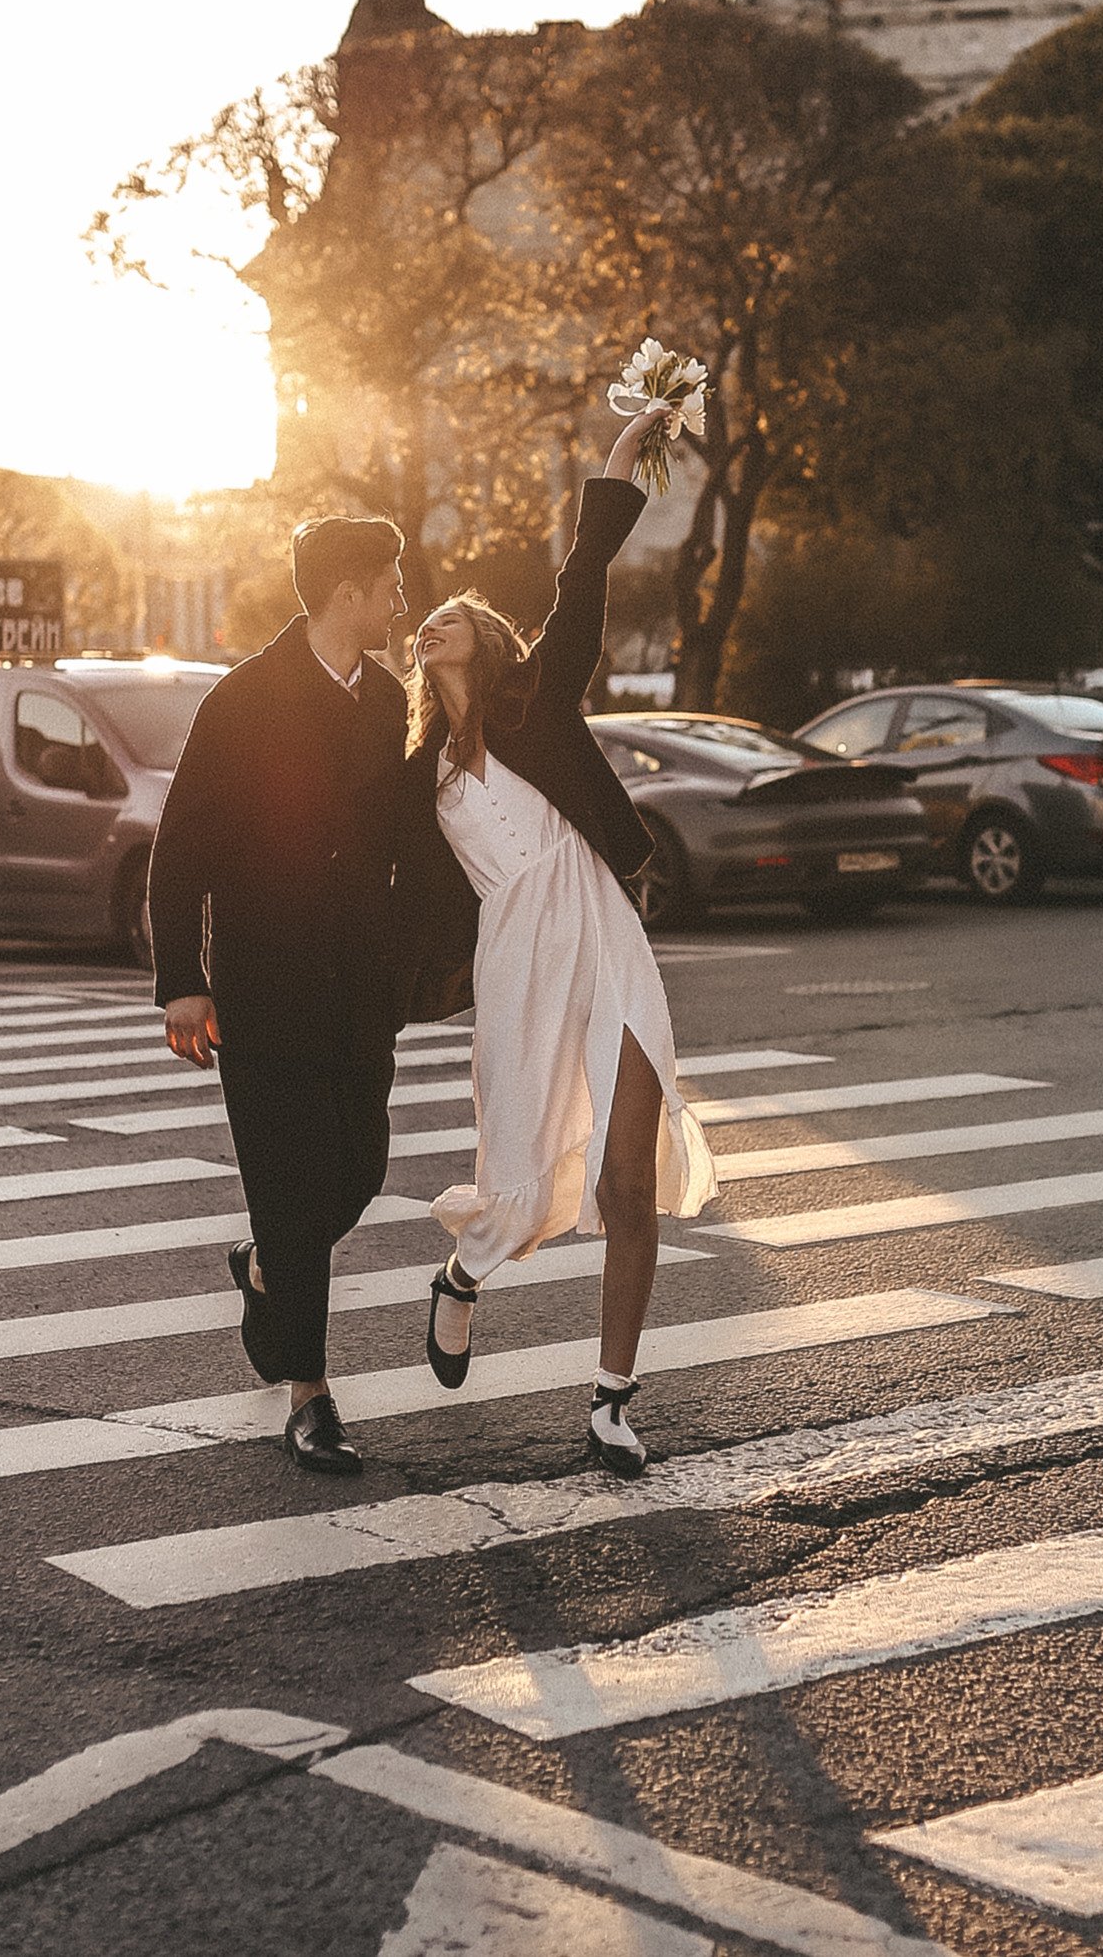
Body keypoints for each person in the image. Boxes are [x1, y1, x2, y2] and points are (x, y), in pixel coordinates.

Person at [400, 400, 716, 1476]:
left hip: (598, 927)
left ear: (487, 641)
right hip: (515, 962)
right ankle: (462, 1278)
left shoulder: (537, 702)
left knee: (628, 1180)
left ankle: (611, 1404)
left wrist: (623, 453)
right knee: (525, 1180)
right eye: (423, 616)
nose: (429, 621)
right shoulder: (414, 779)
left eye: (451, 612)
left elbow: (582, 575)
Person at [150, 515, 408, 1476]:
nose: (400, 600)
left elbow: (416, 846)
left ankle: (264, 1267)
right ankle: (310, 1398)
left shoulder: (389, 702)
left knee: (360, 1174)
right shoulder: (243, 701)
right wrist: (183, 981)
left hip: (358, 997)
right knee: (296, 1191)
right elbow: (181, 850)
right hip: (263, 994)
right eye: (389, 582)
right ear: (347, 589)